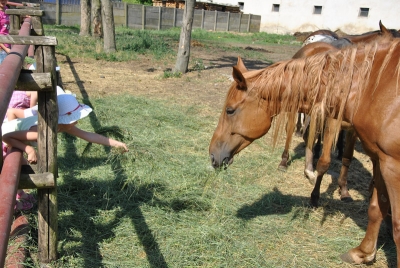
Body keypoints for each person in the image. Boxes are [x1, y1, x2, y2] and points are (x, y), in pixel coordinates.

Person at [2, 92, 129, 211]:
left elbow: (89, 136)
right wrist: (29, 149)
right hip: (4, 144)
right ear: (66, 117)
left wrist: (116, 144)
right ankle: (9, 205)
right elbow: (6, 136)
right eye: (76, 117)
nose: (77, 121)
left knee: (22, 168)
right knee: (12, 174)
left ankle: (19, 194)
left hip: (13, 142)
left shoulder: (59, 125)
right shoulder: (40, 131)